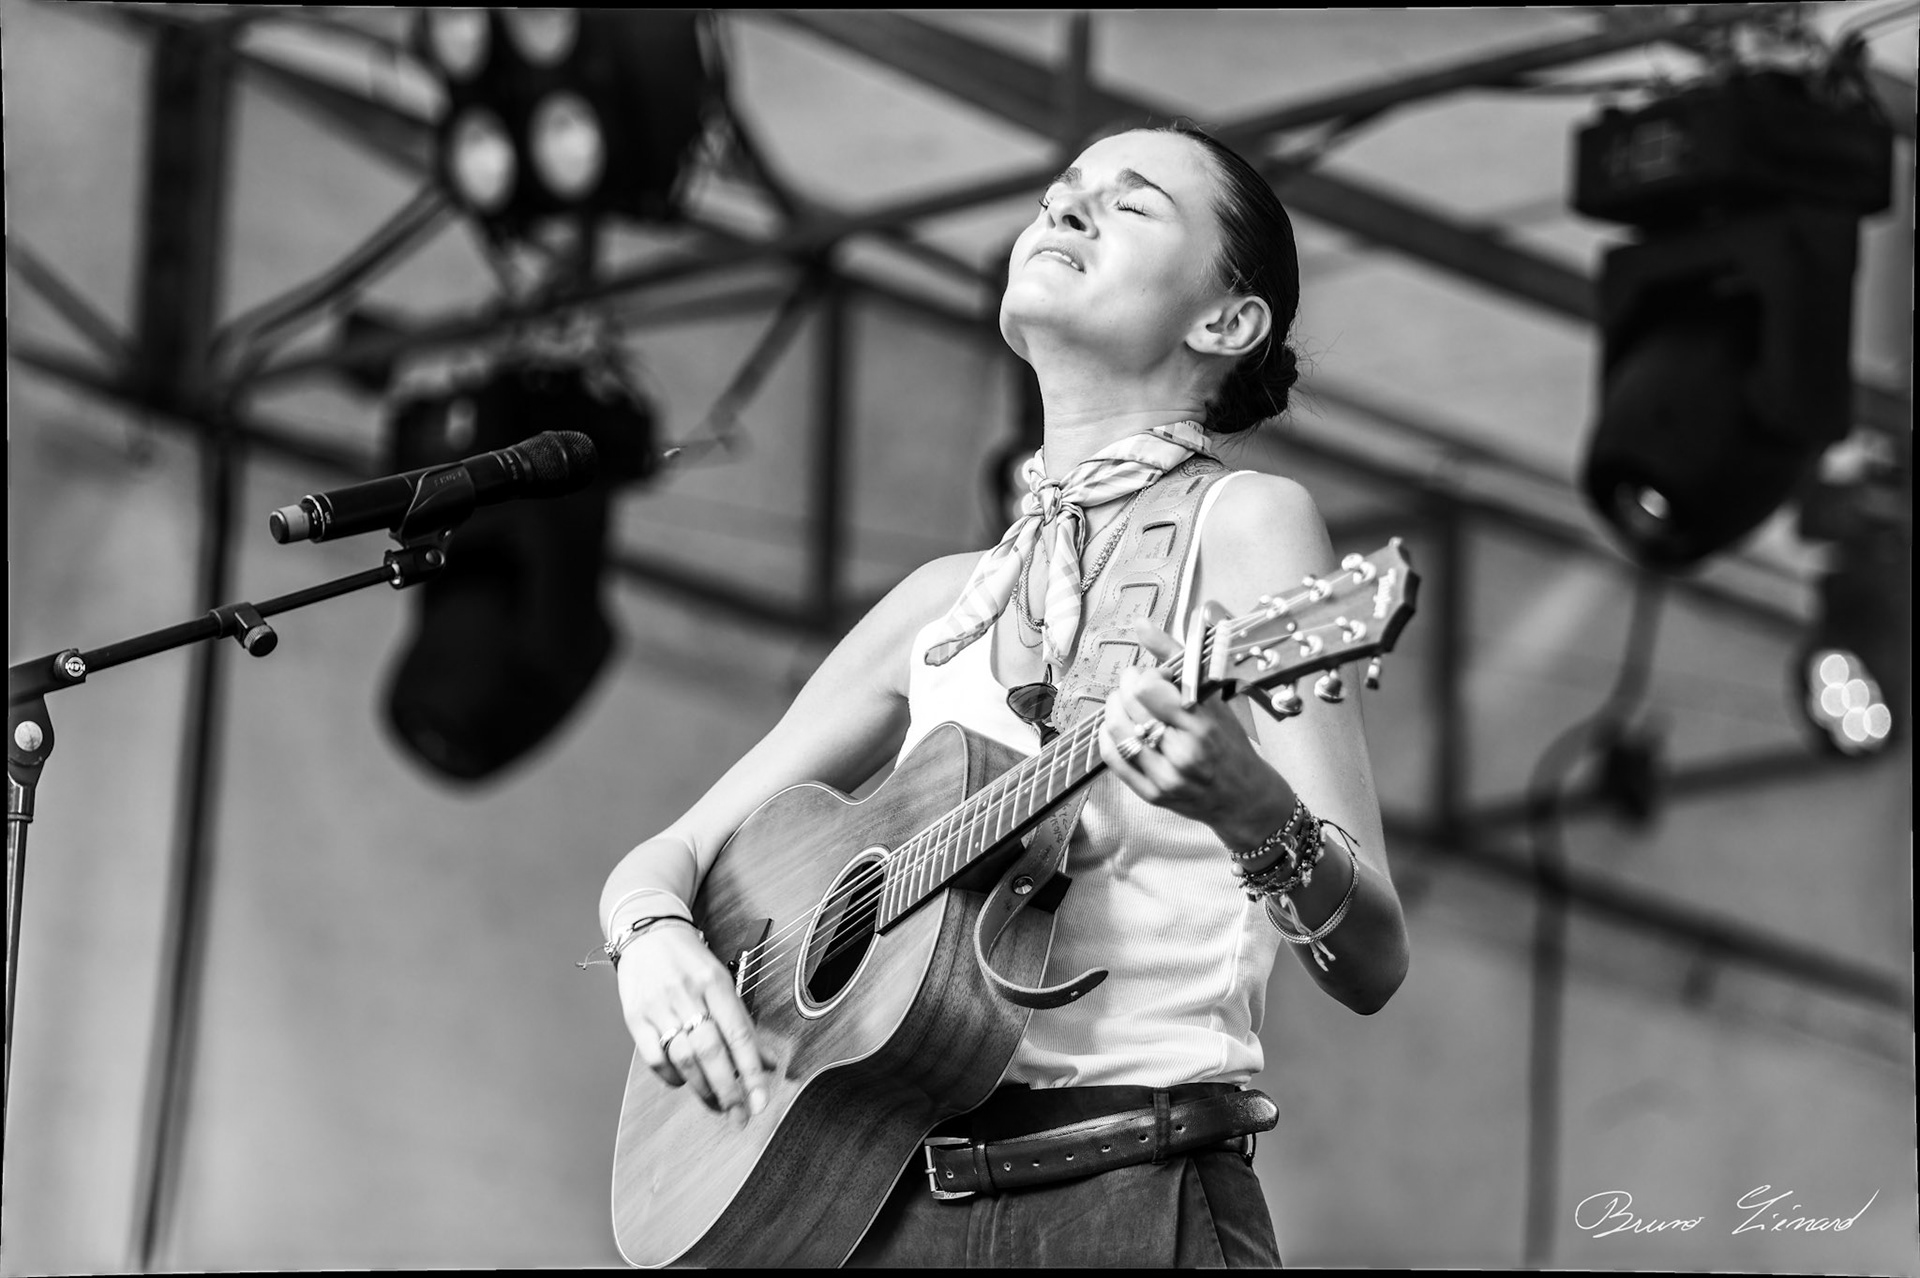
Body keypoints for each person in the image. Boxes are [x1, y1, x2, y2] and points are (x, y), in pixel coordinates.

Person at [595, 121, 1410, 1267]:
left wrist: (1251, 812)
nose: (1065, 211)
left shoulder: (1249, 526)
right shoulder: (940, 605)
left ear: (1224, 323)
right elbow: (665, 858)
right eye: (1060, 193)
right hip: (880, 1210)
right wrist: (653, 943)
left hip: (1131, 1189)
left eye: (1129, 206)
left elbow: (1373, 960)